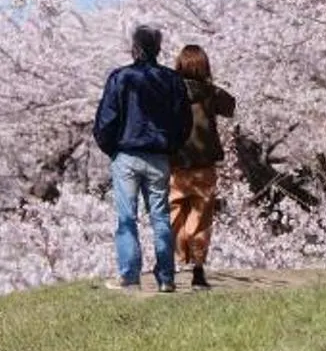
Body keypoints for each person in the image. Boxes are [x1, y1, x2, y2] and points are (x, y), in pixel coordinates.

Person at [93, 23, 191, 291]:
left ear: (135, 48)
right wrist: (171, 147)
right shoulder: (172, 80)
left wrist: (111, 148)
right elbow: (184, 121)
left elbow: (106, 119)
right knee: (160, 216)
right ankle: (166, 277)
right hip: (158, 157)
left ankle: (129, 274)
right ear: (158, 48)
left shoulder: (120, 77)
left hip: (126, 154)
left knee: (127, 217)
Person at [168, 43, 236, 290]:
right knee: (201, 216)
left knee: (173, 214)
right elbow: (230, 106)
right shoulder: (211, 94)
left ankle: (174, 261)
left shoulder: (170, 93)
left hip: (176, 164)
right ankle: (197, 269)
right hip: (204, 165)